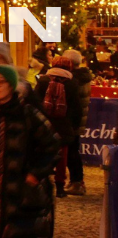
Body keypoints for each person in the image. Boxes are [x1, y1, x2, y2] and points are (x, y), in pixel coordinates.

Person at [0, 64, 59, 238]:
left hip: (25, 201)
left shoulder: (29, 115)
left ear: (11, 85)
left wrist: (35, 174)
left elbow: (52, 145)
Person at [34, 55, 78, 198]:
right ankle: (60, 187)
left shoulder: (43, 81)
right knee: (61, 158)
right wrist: (73, 125)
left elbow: (35, 102)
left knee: (42, 153)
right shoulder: (71, 84)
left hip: (45, 124)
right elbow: (76, 108)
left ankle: (41, 183)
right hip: (63, 125)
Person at [63, 49, 92, 195]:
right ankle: (76, 181)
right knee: (72, 151)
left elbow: (74, 101)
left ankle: (77, 181)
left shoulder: (75, 79)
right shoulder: (82, 76)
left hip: (74, 120)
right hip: (77, 119)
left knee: (72, 152)